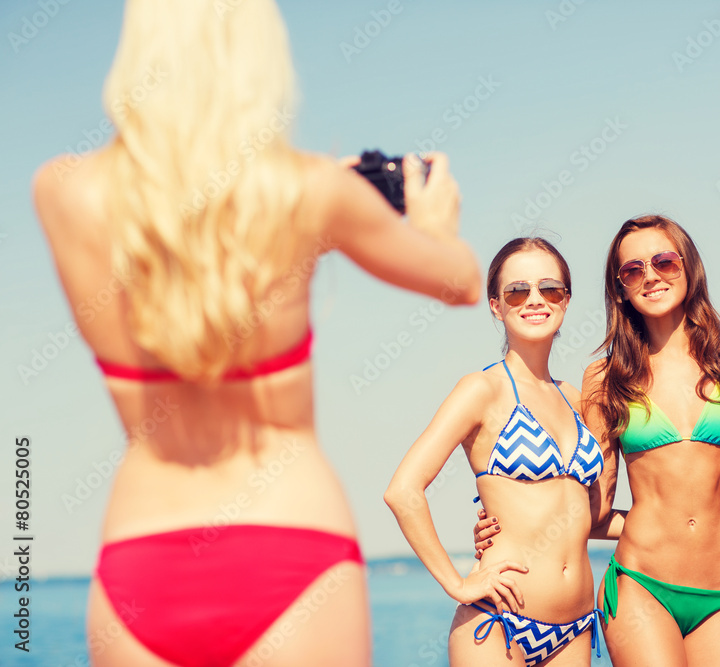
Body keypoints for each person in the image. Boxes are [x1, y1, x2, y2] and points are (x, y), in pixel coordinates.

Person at [31, 1, 479, 665]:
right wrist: (429, 220)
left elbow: (175, 235)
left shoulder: (62, 192)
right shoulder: (308, 192)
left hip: (139, 564)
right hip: (296, 552)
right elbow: (463, 282)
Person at [477, 215, 720, 666]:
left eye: (663, 261)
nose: (650, 276)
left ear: (689, 268)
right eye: (632, 270)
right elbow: (593, 507)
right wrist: (511, 522)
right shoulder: (606, 378)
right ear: (620, 287)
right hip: (642, 585)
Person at [385, 238, 606, 666]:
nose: (535, 300)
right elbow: (403, 490)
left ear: (566, 300)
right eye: (517, 291)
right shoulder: (481, 390)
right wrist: (457, 583)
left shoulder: (576, 399)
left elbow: (587, 516)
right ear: (495, 305)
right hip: (498, 623)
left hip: (577, 626)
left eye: (550, 289)